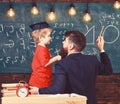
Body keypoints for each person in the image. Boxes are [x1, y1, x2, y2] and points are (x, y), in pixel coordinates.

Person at [29, 30, 113, 104]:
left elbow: (57, 89)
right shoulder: (92, 60)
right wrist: (101, 49)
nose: (63, 42)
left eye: (65, 41)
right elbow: (108, 70)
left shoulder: (62, 64)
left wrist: (38, 90)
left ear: (71, 46)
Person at [29, 21, 61, 88]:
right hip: (39, 81)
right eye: (48, 36)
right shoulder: (41, 49)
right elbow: (45, 63)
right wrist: (57, 57)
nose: (50, 38)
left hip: (42, 79)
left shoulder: (41, 48)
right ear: (41, 38)